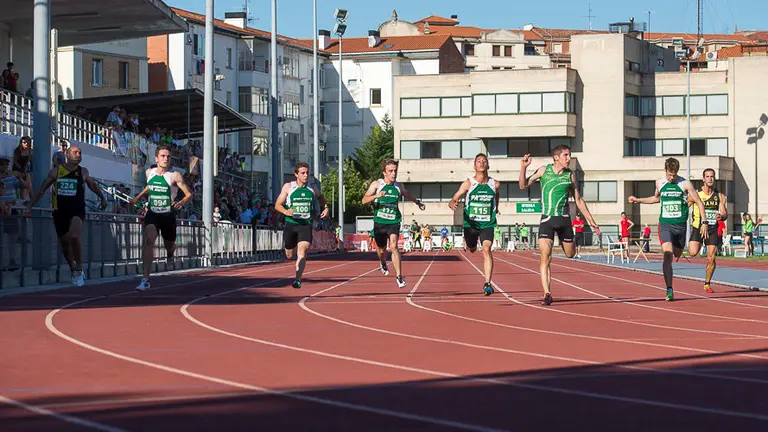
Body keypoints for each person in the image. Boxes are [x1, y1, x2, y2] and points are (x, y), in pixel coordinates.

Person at [519, 145, 601, 306]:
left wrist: (592, 222)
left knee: (570, 254)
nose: (568, 158)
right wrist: (523, 168)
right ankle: (547, 293)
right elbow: (523, 186)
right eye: (566, 155)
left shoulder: (570, 176)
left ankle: (570, 246)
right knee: (545, 257)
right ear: (556, 157)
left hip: (564, 221)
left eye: (569, 155)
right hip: (547, 220)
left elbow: (578, 201)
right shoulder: (544, 171)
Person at [25, 146, 108, 286]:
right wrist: (29, 206)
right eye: (75, 152)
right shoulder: (56, 172)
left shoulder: (83, 172)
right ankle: (73, 268)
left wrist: (102, 198)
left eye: (80, 152)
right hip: (60, 211)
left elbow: (92, 185)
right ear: (67, 155)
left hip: (77, 211)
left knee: (74, 235)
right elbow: (42, 189)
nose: (78, 154)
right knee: (64, 244)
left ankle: (80, 267)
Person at [629, 157, 708, 301]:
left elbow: (699, 202)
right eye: (669, 175)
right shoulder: (660, 182)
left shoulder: (684, 183)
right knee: (667, 254)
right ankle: (669, 289)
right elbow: (656, 198)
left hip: (680, 227)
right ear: (665, 171)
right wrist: (638, 200)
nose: (671, 178)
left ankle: (676, 258)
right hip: (665, 225)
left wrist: (705, 222)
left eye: (674, 175)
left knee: (677, 253)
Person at [130, 145, 194, 291]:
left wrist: (180, 202)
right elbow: (150, 187)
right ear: (156, 158)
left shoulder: (174, 175)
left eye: (168, 156)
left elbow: (189, 194)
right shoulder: (149, 172)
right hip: (152, 213)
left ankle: (170, 255)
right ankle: (145, 279)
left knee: (169, 245)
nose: (166, 159)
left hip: (168, 215)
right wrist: (138, 197)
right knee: (149, 240)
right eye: (163, 156)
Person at [362, 159, 425, 288]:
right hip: (379, 222)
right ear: (384, 172)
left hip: (394, 221)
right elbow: (364, 200)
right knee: (381, 250)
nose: (393, 173)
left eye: (395, 171)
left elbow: (407, 195)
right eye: (390, 171)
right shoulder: (376, 184)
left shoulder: (398, 186)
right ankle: (383, 262)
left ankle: (399, 277)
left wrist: (417, 202)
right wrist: (376, 196)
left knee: (394, 245)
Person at [449, 153, 500, 296]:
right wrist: (452, 202)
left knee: (486, 249)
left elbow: (496, 196)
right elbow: (455, 197)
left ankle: (487, 283)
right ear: (475, 166)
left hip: (487, 222)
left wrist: (497, 208)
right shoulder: (469, 183)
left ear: (488, 165)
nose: (482, 163)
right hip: (470, 223)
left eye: (484, 161)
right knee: (472, 249)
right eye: (479, 161)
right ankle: (470, 244)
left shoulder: (495, 184)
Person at [275, 162, 329, 288]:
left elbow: (320, 197)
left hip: (305, 225)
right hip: (291, 224)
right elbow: (277, 205)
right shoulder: (289, 187)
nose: (305, 176)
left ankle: (297, 279)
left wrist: (325, 207)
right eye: (302, 173)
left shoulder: (312, 188)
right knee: (289, 255)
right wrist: (286, 211)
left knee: (302, 253)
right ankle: (291, 251)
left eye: (307, 173)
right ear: (296, 174)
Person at [687, 168, 727, 293]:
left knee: (711, 258)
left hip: (712, 228)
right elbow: (684, 207)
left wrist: (721, 217)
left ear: (714, 179)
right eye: (707, 176)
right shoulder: (696, 194)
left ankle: (707, 283)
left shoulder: (719, 196)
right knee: (693, 252)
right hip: (698, 227)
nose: (710, 179)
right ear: (703, 179)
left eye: (712, 176)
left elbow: (725, 214)